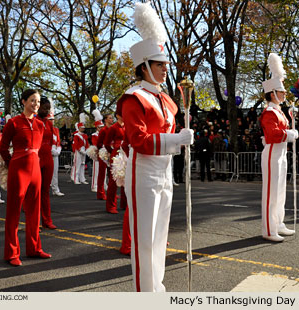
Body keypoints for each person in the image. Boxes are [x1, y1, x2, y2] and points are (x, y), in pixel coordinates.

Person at [120, 2, 194, 291]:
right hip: (144, 172)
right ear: (144, 67)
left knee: (161, 233)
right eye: (159, 65)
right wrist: (176, 140)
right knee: (145, 238)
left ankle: (157, 285)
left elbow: (169, 135)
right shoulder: (133, 98)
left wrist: (180, 141)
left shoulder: (165, 99)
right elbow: (138, 140)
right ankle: (144, 293)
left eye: (165, 64)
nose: (165, 69)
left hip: (164, 171)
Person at [0, 89, 52, 266]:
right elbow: (3, 148)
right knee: (14, 212)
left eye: (37, 101)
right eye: (32, 101)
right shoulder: (13, 123)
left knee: (34, 212)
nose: (36, 104)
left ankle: (34, 248)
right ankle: (11, 253)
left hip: (35, 170)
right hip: (19, 169)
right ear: (23, 101)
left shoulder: (40, 125)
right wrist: (12, 163)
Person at [259, 53, 298, 242]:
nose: (284, 95)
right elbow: (273, 134)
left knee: (280, 191)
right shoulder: (268, 112)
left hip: (281, 153)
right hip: (273, 153)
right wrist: (290, 134)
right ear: (272, 93)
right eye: (281, 92)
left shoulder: (279, 111)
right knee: (271, 193)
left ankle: (279, 223)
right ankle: (268, 228)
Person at [37, 96, 57, 229]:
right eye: (45, 108)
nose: (47, 111)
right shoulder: (33, 121)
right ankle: (33, 219)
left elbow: (50, 140)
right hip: (37, 157)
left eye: (48, 109)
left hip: (47, 157)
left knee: (45, 190)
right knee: (34, 190)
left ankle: (47, 220)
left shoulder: (49, 123)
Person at [104, 113, 127, 214]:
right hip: (116, 155)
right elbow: (106, 143)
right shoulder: (113, 128)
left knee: (126, 180)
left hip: (126, 154)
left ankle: (125, 204)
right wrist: (112, 152)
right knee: (113, 181)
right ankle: (111, 206)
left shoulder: (127, 126)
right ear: (118, 115)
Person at [96, 113, 114, 200]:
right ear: (105, 120)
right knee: (102, 174)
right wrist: (103, 149)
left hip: (111, 151)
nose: (112, 120)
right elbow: (98, 143)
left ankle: (111, 194)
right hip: (103, 153)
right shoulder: (103, 130)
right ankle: (100, 193)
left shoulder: (112, 129)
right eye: (110, 118)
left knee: (111, 174)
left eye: (112, 118)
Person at [49, 106, 64, 197]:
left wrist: (58, 149)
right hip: (47, 152)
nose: (52, 121)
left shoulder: (56, 130)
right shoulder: (43, 128)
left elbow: (58, 141)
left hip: (56, 152)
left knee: (55, 172)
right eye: (50, 119)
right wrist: (51, 150)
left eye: (53, 119)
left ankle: (55, 189)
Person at [71, 113, 89, 185]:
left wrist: (87, 150)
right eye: (82, 127)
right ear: (79, 128)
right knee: (77, 165)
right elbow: (76, 144)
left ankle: (82, 178)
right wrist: (80, 150)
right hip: (78, 151)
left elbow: (86, 143)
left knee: (82, 165)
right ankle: (75, 178)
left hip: (84, 151)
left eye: (83, 127)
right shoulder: (76, 135)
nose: (83, 128)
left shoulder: (85, 135)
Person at [90, 109, 105, 193]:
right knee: (96, 171)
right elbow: (95, 144)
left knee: (104, 171)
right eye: (100, 127)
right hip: (97, 153)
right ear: (97, 127)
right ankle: (94, 185)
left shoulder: (104, 133)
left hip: (104, 153)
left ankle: (103, 184)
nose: (101, 128)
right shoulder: (94, 135)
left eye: (102, 127)